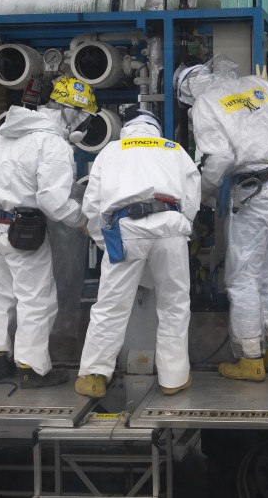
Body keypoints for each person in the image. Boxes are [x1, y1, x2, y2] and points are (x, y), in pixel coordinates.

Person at [176, 56, 268, 382]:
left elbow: (221, 157)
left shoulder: (205, 103)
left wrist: (200, 192)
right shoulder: (257, 85)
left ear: (188, 92)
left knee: (242, 279)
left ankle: (251, 359)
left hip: (254, 192)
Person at [75, 107, 201, 397]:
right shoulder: (174, 149)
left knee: (111, 305)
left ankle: (94, 375)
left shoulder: (111, 150)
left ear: (127, 128)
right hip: (170, 224)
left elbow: (92, 204)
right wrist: (184, 225)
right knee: (174, 304)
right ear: (155, 128)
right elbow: (193, 194)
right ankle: (174, 377)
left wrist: (104, 240)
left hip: (127, 227)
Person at [0, 76, 95, 388]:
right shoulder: (52, 143)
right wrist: (82, 219)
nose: (82, 126)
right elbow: (52, 200)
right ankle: (32, 368)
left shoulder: (6, 135)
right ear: (70, 112)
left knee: (0, 292)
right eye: (82, 117)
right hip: (24, 231)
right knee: (37, 299)